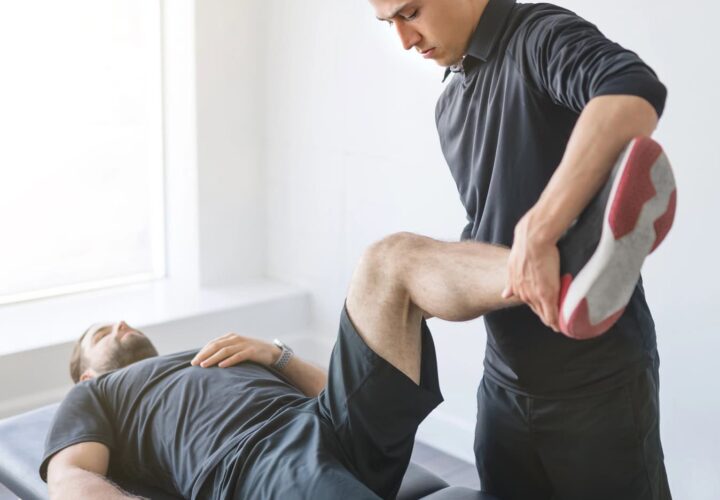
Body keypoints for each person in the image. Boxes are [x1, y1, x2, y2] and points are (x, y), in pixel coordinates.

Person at [369, 0, 673, 498]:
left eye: (412, 12)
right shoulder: (450, 106)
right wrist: (436, 289)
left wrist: (541, 226)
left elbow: (631, 90)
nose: (405, 40)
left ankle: (582, 260)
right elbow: (486, 223)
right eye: (390, 24)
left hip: (597, 385)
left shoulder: (537, 35)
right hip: (504, 383)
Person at [42, 232, 526, 500]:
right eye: (101, 333)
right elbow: (71, 481)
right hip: (255, 460)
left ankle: (549, 276)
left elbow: (329, 390)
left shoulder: (209, 353)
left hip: (330, 422)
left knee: (388, 260)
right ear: (88, 372)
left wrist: (277, 355)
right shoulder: (96, 394)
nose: (120, 324)